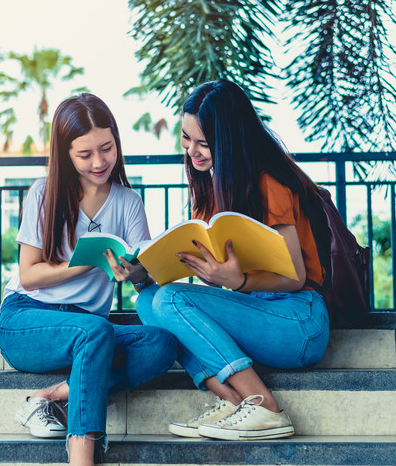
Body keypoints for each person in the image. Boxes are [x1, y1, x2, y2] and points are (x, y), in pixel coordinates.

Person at [0, 93, 177, 466]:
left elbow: (141, 272)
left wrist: (135, 270)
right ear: (66, 154)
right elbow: (29, 276)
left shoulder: (129, 202)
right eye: (85, 154)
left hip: (87, 331)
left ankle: (46, 398)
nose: (99, 162)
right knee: (95, 331)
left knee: (161, 343)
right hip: (28, 320)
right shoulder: (44, 193)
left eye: (107, 148)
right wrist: (89, 261)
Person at [135, 79, 331, 441]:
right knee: (148, 298)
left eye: (204, 143)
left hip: (298, 318)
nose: (193, 151)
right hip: (252, 313)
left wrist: (238, 281)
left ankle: (265, 406)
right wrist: (143, 271)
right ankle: (234, 401)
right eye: (186, 139)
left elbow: (296, 278)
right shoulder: (210, 193)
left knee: (171, 298)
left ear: (228, 140)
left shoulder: (270, 185)